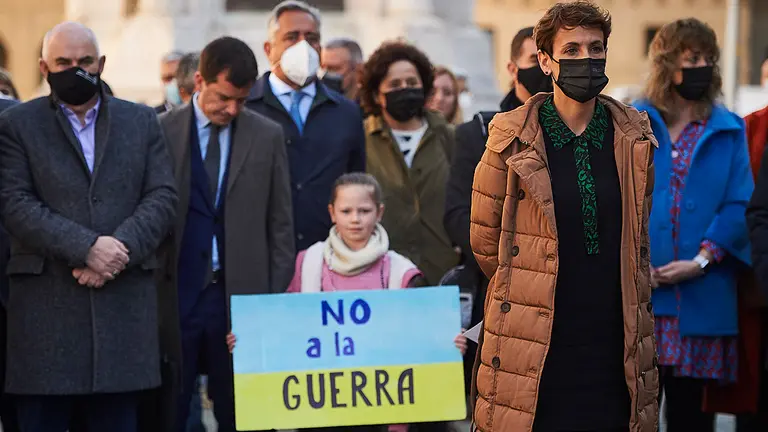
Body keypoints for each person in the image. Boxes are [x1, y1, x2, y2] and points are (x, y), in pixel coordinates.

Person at [470, 2, 659, 431]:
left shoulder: (634, 138)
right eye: (570, 49)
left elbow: (637, 235)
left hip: (614, 342)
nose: (585, 60)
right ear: (544, 60)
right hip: (535, 342)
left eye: (596, 48)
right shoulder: (509, 138)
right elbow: (486, 244)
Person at [0, 21, 177, 431]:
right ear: (44, 67)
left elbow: (163, 196)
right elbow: (15, 203)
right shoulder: (16, 125)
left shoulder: (141, 121)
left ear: (101, 64)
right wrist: (86, 248)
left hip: (121, 318)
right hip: (47, 323)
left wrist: (117, 250)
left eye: (84, 62)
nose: (75, 70)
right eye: (63, 62)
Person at [226, 172, 468, 432]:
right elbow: (286, 330)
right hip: (324, 413)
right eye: (346, 211)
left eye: (364, 210)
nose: (355, 219)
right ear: (332, 213)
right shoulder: (308, 263)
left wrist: (449, 343)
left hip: (385, 414)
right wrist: (249, 341)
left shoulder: (402, 272)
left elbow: (422, 338)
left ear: (379, 212)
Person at [157, 36, 294, 432]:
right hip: (176, 296)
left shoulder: (266, 136)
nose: (232, 109)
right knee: (171, 412)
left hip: (241, 303)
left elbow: (281, 223)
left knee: (243, 416)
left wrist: (267, 303)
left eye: (241, 100)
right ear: (198, 81)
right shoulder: (161, 131)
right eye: (223, 98)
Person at [632, 18, 753, 432]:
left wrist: (702, 261)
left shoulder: (729, 128)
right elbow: (618, 200)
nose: (702, 66)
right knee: (635, 414)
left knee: (692, 420)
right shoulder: (634, 123)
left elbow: (740, 202)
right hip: (643, 297)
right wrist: (635, 264)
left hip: (702, 297)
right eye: (691, 58)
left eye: (707, 59)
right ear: (668, 65)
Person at [443, 24, 552, 402]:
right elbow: (457, 213)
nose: (543, 67)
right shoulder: (476, 133)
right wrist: (509, 256)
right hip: (497, 291)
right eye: (532, 59)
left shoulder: (580, 130)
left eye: (548, 58)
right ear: (512, 67)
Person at [246, 0, 365, 251]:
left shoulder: (345, 112)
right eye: (291, 37)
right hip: (262, 254)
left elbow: (357, 182)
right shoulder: (246, 108)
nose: (303, 46)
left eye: (311, 38)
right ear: (269, 49)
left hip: (331, 255)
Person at [359, 41, 458, 286]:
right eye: (395, 85)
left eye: (412, 83)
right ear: (376, 94)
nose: (405, 89)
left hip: (441, 275)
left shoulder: (448, 137)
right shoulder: (360, 139)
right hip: (381, 276)